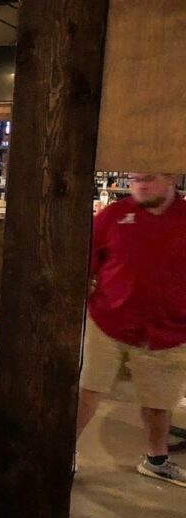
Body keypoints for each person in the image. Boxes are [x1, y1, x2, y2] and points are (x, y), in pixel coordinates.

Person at [76, 172, 186, 486]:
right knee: (87, 392)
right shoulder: (113, 215)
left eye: (149, 179)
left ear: (171, 179)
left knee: (158, 403)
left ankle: (156, 460)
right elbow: (85, 260)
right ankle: (63, 453)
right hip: (108, 321)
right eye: (136, 178)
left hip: (169, 330)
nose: (140, 185)